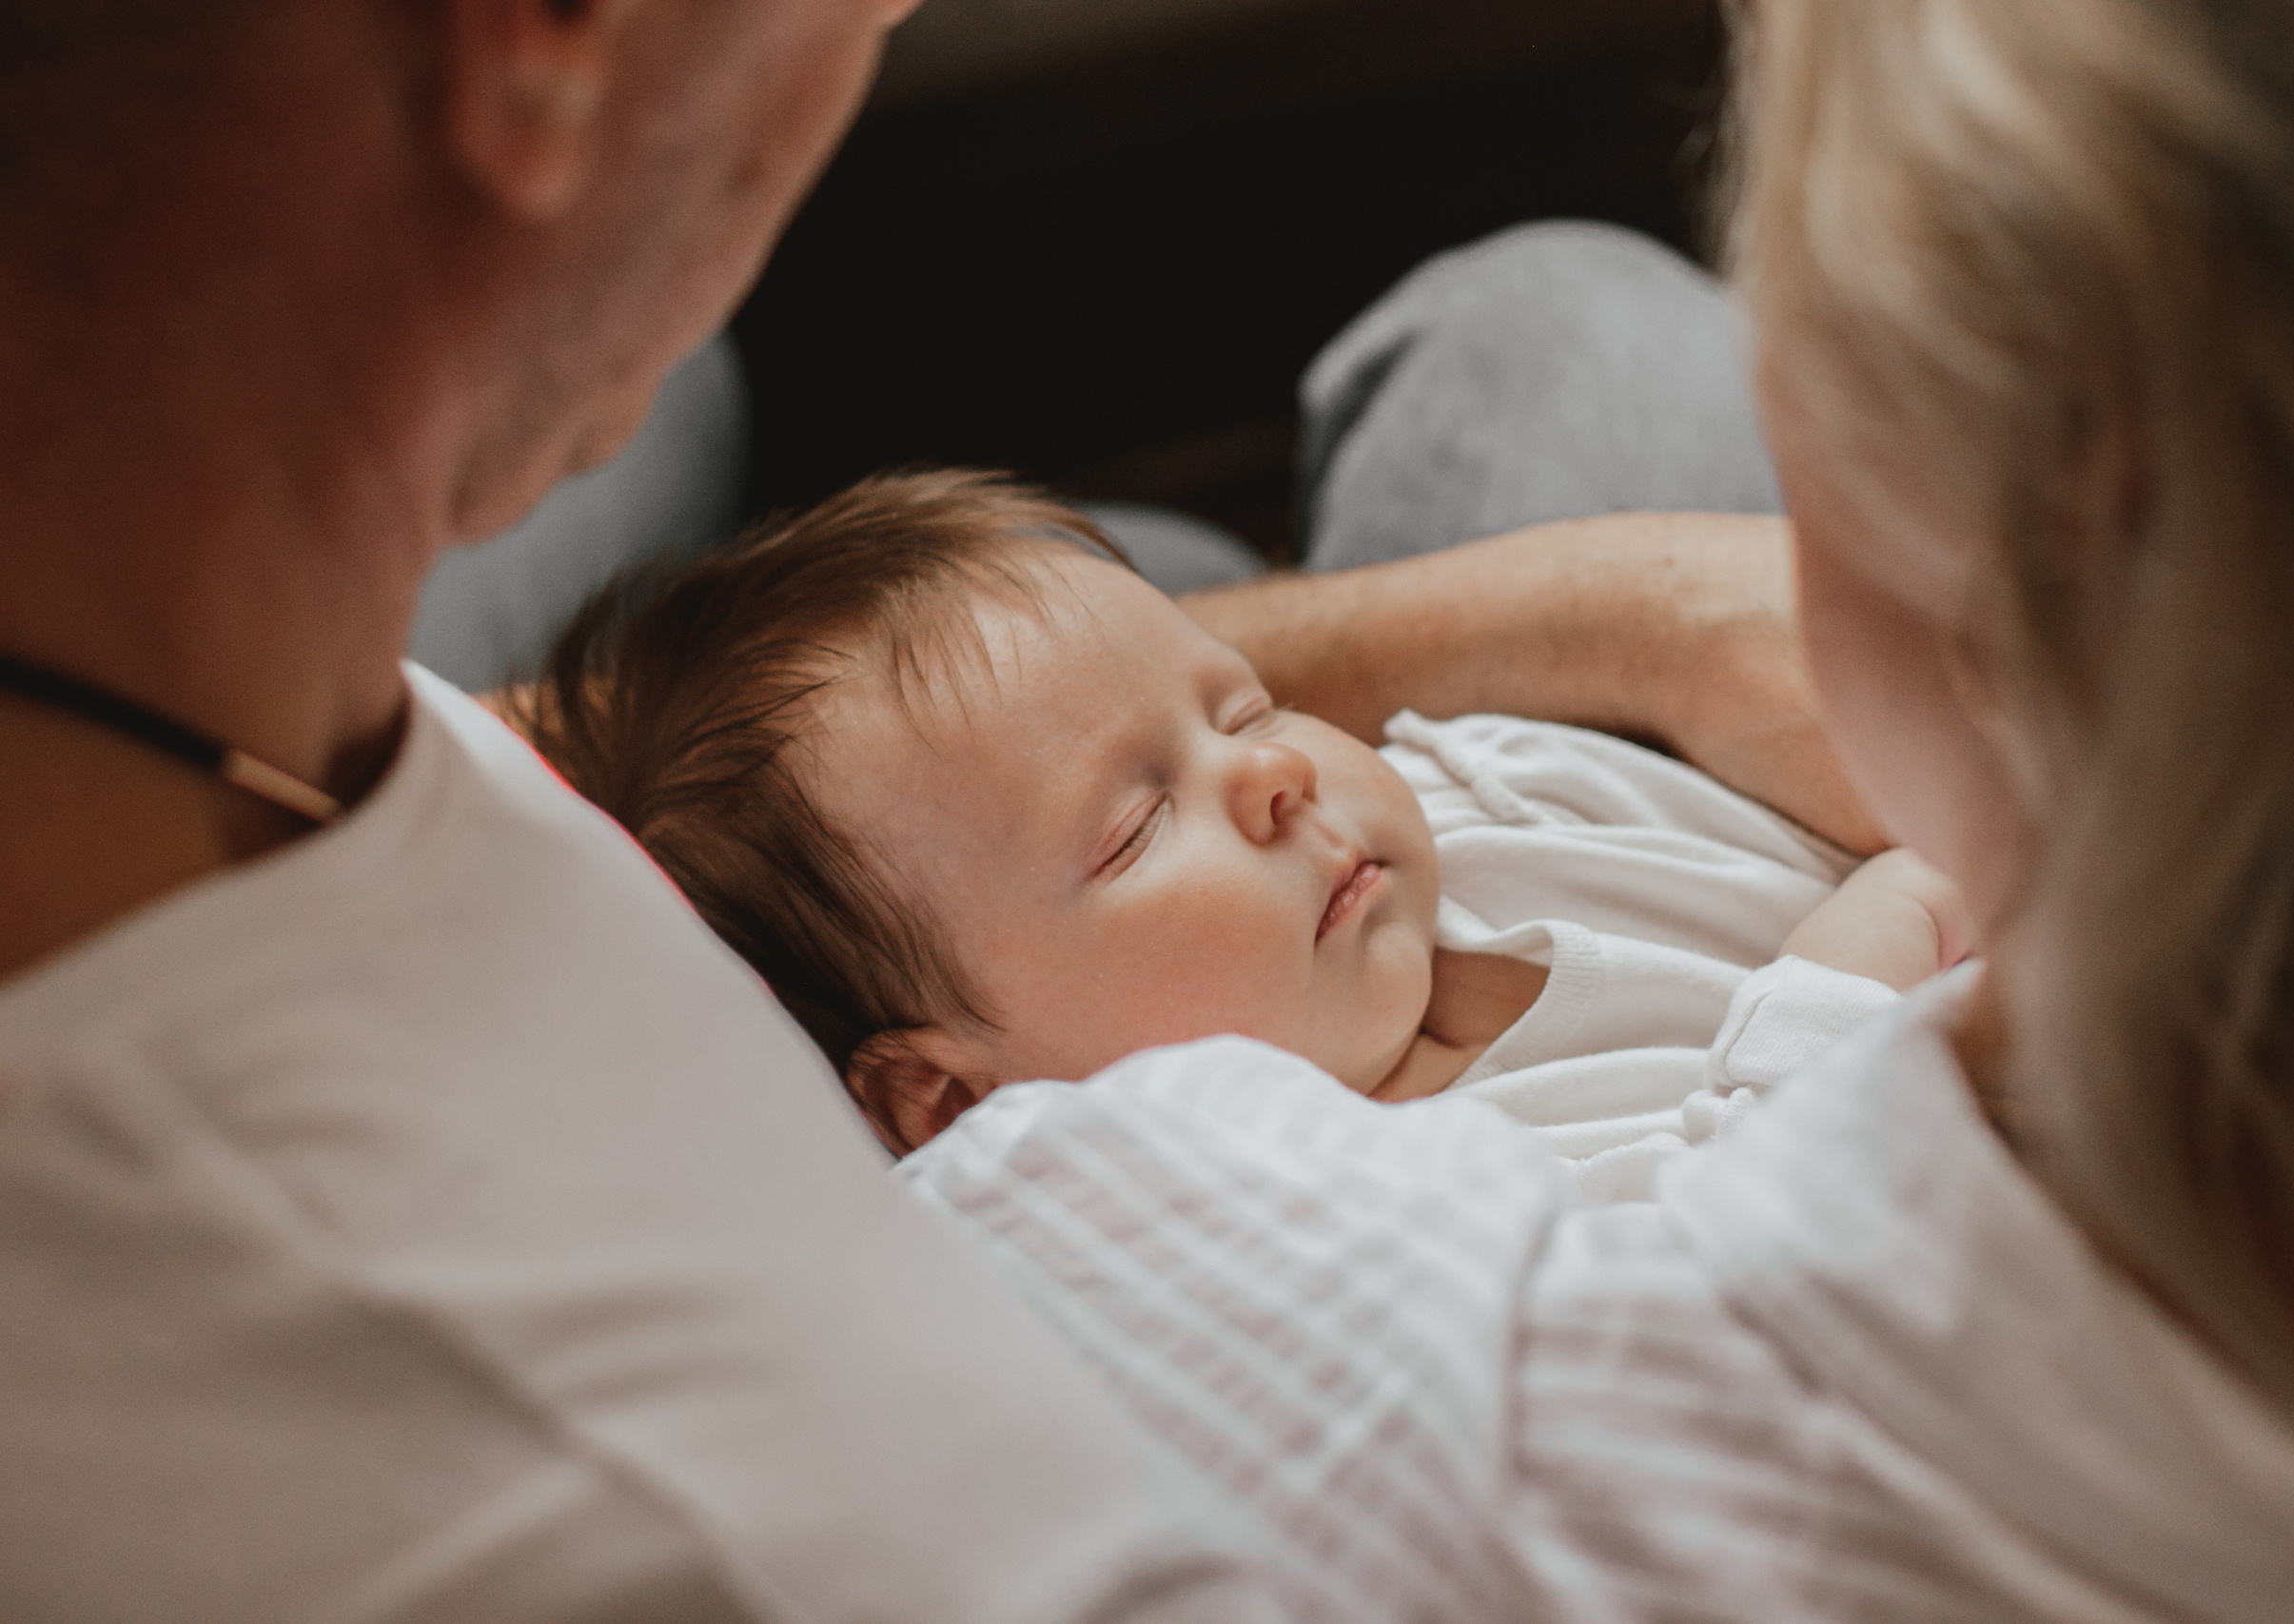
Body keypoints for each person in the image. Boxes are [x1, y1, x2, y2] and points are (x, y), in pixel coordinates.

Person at [0, 3, 1868, 1618]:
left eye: (1247, 723)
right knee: (1571, 326)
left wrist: (1598, 618)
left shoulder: (168, 681)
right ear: (544, 32)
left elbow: (622, 735)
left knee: (1071, 548)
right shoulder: (840, 1525)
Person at [896, 0, 2294, 1618]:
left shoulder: (1180, 1222)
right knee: (1553, 311)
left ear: (2026, 551)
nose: (1271, 767)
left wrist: (1626, 621)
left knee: (1554, 319)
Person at [522, 468, 1963, 1195]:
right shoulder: (1340, 1221)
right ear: (965, 1107)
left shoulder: (1504, 786)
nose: (1274, 774)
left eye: (1246, 703)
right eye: (1137, 824)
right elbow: (1732, 1314)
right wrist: (1855, 973)